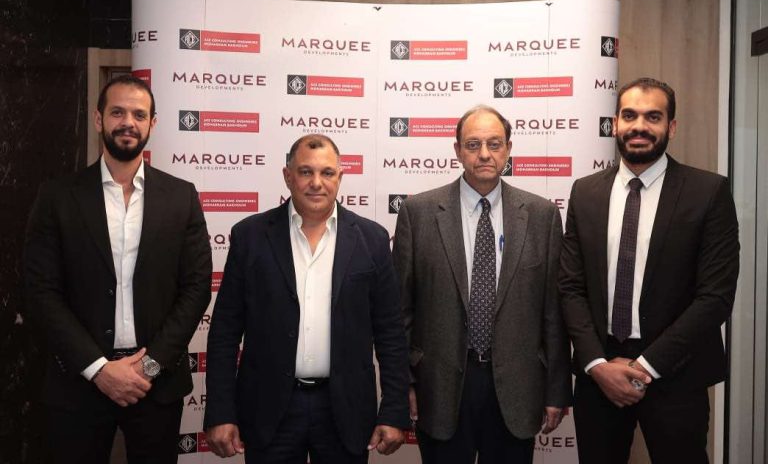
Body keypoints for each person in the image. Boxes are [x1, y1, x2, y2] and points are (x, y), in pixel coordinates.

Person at [23, 75, 213, 463]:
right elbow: (40, 290)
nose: (128, 122)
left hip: (155, 384)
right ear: (98, 119)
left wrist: (149, 365)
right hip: (78, 382)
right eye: (118, 112)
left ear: (152, 124)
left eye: (139, 115)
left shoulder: (181, 197)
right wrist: (98, 369)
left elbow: (195, 288)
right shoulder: (57, 196)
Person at [559, 77, 740, 463]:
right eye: (629, 115)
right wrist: (597, 365)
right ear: (615, 123)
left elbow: (715, 297)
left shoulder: (708, 193)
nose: (639, 126)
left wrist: (645, 366)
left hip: (677, 375)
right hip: (599, 375)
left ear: (671, 127)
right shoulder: (585, 192)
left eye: (653, 117)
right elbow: (570, 287)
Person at [204, 134, 410, 463]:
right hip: (269, 410)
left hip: (345, 411)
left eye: (327, 173)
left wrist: (395, 410)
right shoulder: (250, 236)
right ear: (288, 176)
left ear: (340, 177)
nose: (316, 183)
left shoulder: (372, 240)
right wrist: (220, 411)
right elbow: (225, 332)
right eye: (305, 172)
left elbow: (390, 333)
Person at [392, 105, 572, 464]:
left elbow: (553, 313)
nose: (485, 154)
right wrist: (403, 384)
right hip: (439, 388)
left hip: (518, 388)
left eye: (494, 143)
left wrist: (557, 390)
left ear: (508, 149)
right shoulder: (418, 213)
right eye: (473, 145)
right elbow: (401, 311)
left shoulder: (542, 217)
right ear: (458, 150)